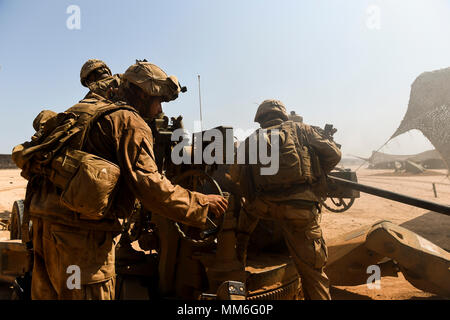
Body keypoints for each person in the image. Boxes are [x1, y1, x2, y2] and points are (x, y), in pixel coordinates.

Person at [18, 60, 228, 300]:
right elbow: (151, 189)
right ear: (141, 93)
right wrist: (202, 204)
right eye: (157, 100)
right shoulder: (128, 121)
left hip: (45, 231)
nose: (160, 110)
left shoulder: (82, 110)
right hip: (81, 245)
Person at [231, 99, 341, 300]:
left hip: (264, 206)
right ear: (283, 115)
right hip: (300, 209)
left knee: (245, 221)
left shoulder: (252, 139)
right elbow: (334, 155)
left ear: (260, 119)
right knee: (313, 275)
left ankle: (239, 253)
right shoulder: (303, 130)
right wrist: (316, 172)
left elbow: (234, 174)